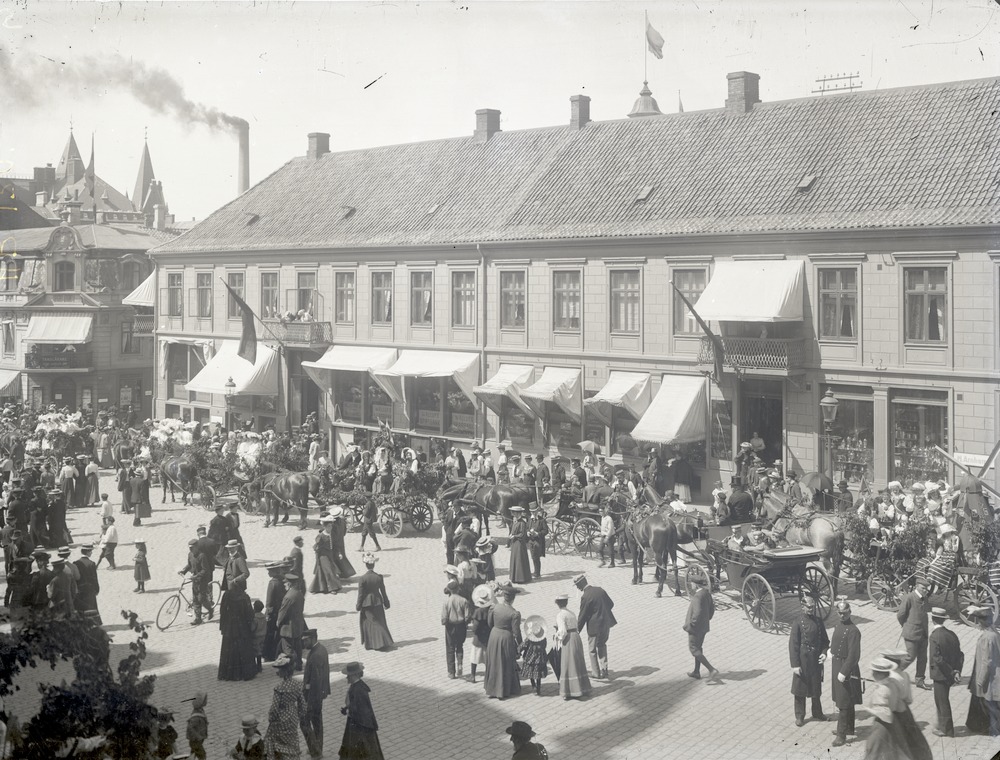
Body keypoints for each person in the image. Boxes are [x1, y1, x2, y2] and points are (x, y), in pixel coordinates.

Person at [789, 596, 829, 727]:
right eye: (808, 607)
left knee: (816, 688)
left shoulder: (818, 622)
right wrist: (795, 665)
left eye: (812, 607)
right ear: (803, 607)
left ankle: (817, 713)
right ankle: (799, 716)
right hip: (803, 660)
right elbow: (793, 645)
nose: (811, 609)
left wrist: (824, 653)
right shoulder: (797, 622)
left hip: (815, 660)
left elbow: (825, 641)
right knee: (800, 689)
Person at [829, 600, 862, 747]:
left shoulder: (854, 631)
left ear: (850, 612)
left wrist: (844, 671)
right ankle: (849, 728)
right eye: (840, 613)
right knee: (845, 698)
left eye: (845, 613)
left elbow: (854, 655)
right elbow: (836, 643)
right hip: (837, 664)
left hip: (847, 668)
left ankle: (841, 735)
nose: (842, 616)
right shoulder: (839, 626)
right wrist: (830, 652)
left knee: (844, 702)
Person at [928, 605, 963, 737]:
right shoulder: (951, 634)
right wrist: (957, 670)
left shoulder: (934, 636)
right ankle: (942, 725)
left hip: (940, 674)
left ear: (932, 619)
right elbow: (960, 654)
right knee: (943, 700)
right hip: (950, 673)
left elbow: (937, 658)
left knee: (941, 702)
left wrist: (950, 672)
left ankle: (946, 729)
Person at [264, 654, 307, 760]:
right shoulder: (297, 685)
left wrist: (271, 718)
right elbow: (302, 704)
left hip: (281, 718)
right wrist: (298, 715)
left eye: (279, 670)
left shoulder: (279, 688)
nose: (278, 672)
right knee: (291, 740)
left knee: (275, 741)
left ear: (284, 671)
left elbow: (274, 708)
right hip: (293, 717)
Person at [865, 658, 908, 760]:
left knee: (873, 750)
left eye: (874, 672)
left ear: (878, 674)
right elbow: (900, 706)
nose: (872, 674)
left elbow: (885, 713)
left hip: (881, 724)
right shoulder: (893, 684)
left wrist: (871, 710)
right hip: (893, 723)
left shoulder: (881, 690)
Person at [338, 662, 384, 760]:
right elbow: (355, 703)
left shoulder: (358, 689)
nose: (347, 678)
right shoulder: (356, 686)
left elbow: (360, 708)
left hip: (360, 725)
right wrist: (346, 708)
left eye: (348, 675)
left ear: (354, 675)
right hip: (356, 722)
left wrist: (349, 710)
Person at [966, 605, 1000, 736]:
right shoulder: (995, 633)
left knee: (988, 704)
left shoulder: (987, 638)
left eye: (978, 621)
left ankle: (993, 730)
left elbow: (987, 661)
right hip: (995, 676)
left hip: (990, 678)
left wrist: (980, 680)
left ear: (982, 622)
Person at [575, 573, 617, 680]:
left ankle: (596, 673)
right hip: (606, 624)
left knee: (592, 650)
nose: (577, 588)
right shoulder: (600, 590)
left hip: (594, 627)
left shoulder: (585, 597)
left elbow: (582, 615)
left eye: (577, 585)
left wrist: (577, 630)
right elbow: (611, 604)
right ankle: (604, 670)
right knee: (602, 645)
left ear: (581, 584)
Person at [485, 584, 522, 699]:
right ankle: (504, 690)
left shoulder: (494, 608)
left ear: (504, 597)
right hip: (506, 638)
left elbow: (489, 623)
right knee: (505, 663)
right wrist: (520, 644)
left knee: (493, 661)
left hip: (494, 636)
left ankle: (492, 689)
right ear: (513, 598)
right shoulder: (514, 613)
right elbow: (516, 632)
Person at [684, 573, 719, 682]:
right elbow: (712, 610)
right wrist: (706, 619)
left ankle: (711, 669)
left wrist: (692, 624)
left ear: (695, 585)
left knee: (693, 649)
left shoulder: (697, 596)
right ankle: (696, 671)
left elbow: (697, 613)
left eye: (692, 584)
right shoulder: (707, 593)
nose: (691, 585)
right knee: (698, 647)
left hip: (696, 628)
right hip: (704, 626)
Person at [896, 578, 930, 690]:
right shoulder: (909, 598)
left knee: (923, 658)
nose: (925, 590)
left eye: (927, 589)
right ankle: (894, 672)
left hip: (923, 633)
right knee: (910, 656)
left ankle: (920, 680)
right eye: (923, 588)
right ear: (917, 587)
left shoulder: (924, 598)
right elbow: (900, 615)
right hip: (911, 634)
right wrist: (906, 625)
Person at [218, 582, 257, 682]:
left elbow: (222, 611)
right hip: (242, 627)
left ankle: (229, 673)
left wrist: (223, 626)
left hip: (230, 627)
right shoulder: (245, 597)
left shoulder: (226, 595)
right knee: (243, 649)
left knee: (229, 649)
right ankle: (245, 672)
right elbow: (250, 614)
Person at [356, 551, 394, 651]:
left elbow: (360, 594)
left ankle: (379, 641)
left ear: (366, 565)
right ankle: (380, 642)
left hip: (367, 603)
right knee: (380, 621)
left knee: (370, 622)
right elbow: (383, 591)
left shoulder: (362, 579)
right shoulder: (379, 577)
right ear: (374, 564)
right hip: (378, 602)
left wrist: (358, 606)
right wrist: (386, 603)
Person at [302, 629, 330, 760]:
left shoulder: (316, 655)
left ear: (313, 638)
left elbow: (316, 680)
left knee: (305, 722)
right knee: (317, 722)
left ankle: (315, 751)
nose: (304, 643)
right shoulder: (321, 649)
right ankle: (318, 748)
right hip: (318, 694)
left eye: (306, 640)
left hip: (313, 695)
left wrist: (308, 699)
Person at [441, 578, 472, 679]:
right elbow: (467, 617)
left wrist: (446, 623)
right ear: (458, 589)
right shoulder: (464, 601)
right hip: (461, 626)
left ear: (449, 590)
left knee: (450, 648)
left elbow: (444, 619)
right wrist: (465, 623)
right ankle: (460, 664)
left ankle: (451, 672)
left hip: (450, 627)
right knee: (459, 646)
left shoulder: (446, 602)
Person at [276, 572, 306, 669]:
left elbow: (283, 612)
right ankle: (299, 664)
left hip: (288, 627)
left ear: (289, 584)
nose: (284, 584)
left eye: (285, 583)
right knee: (298, 646)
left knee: (287, 647)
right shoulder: (299, 593)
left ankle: (290, 666)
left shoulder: (288, 596)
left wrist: (278, 622)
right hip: (298, 624)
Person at [469, 584, 495, 684]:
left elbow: (475, 628)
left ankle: (473, 675)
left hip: (478, 639)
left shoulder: (478, 612)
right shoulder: (491, 610)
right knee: (487, 660)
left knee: (474, 658)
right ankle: (488, 676)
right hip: (488, 638)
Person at [263, 561, 288, 662]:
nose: (268, 573)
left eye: (270, 571)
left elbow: (269, 601)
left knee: (269, 633)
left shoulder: (272, 583)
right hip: (281, 610)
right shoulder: (283, 580)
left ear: (274, 571)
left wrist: (267, 614)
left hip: (273, 612)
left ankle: (269, 654)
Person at [310, 517, 343, 594]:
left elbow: (335, 545)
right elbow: (316, 547)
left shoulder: (332, 534)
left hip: (330, 555)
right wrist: (318, 558)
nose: (330, 528)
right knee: (329, 570)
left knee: (322, 571)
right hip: (323, 556)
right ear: (324, 527)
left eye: (331, 526)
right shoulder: (321, 536)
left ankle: (317, 588)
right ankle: (332, 588)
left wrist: (339, 553)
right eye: (328, 526)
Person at [520, 616, 549, 696]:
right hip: (540, 658)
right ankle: (538, 687)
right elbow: (544, 646)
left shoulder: (528, 639)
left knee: (530, 672)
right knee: (538, 674)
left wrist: (518, 650)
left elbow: (523, 645)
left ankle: (533, 686)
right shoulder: (543, 639)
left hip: (530, 658)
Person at [73, 544, 101, 623]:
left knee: (81, 606)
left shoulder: (76, 563)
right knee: (91, 605)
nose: (91, 553)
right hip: (90, 588)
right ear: (87, 552)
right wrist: (97, 588)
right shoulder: (91, 563)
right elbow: (94, 578)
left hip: (80, 588)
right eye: (91, 551)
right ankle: (93, 622)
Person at [507, 506, 532, 584]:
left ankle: (521, 578)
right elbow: (513, 531)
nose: (513, 514)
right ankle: (514, 577)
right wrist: (511, 535)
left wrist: (514, 536)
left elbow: (522, 534)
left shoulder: (522, 523)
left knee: (519, 559)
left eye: (514, 513)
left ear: (518, 513)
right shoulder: (516, 521)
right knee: (515, 559)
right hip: (515, 543)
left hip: (519, 544)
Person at [185, 691, 209, 760]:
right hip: (196, 741)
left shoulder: (200, 710)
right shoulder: (195, 717)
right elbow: (190, 727)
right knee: (202, 755)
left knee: (193, 755)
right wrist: (197, 736)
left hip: (197, 740)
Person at [526, 505, 547, 580]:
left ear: (537, 511)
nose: (533, 513)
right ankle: (535, 571)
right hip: (531, 541)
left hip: (538, 541)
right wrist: (528, 532)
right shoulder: (529, 519)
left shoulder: (542, 520)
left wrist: (538, 534)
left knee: (536, 557)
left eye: (534, 511)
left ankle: (537, 573)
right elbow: (527, 528)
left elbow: (545, 531)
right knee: (533, 557)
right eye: (532, 512)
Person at [251, 599, 267, 673]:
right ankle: (259, 666)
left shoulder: (255, 618)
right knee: (260, 650)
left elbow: (253, 628)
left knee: (255, 651)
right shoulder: (264, 617)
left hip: (256, 636)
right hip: (263, 636)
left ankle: (256, 666)